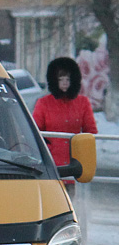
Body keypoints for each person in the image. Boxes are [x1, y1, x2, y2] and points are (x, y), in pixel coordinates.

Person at [33, 57, 97, 195]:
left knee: (70, 202)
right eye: (61, 79)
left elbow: (91, 131)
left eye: (68, 79)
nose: (65, 83)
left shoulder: (83, 103)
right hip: (51, 162)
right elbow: (35, 131)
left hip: (74, 164)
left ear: (73, 80)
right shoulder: (43, 103)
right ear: (54, 80)